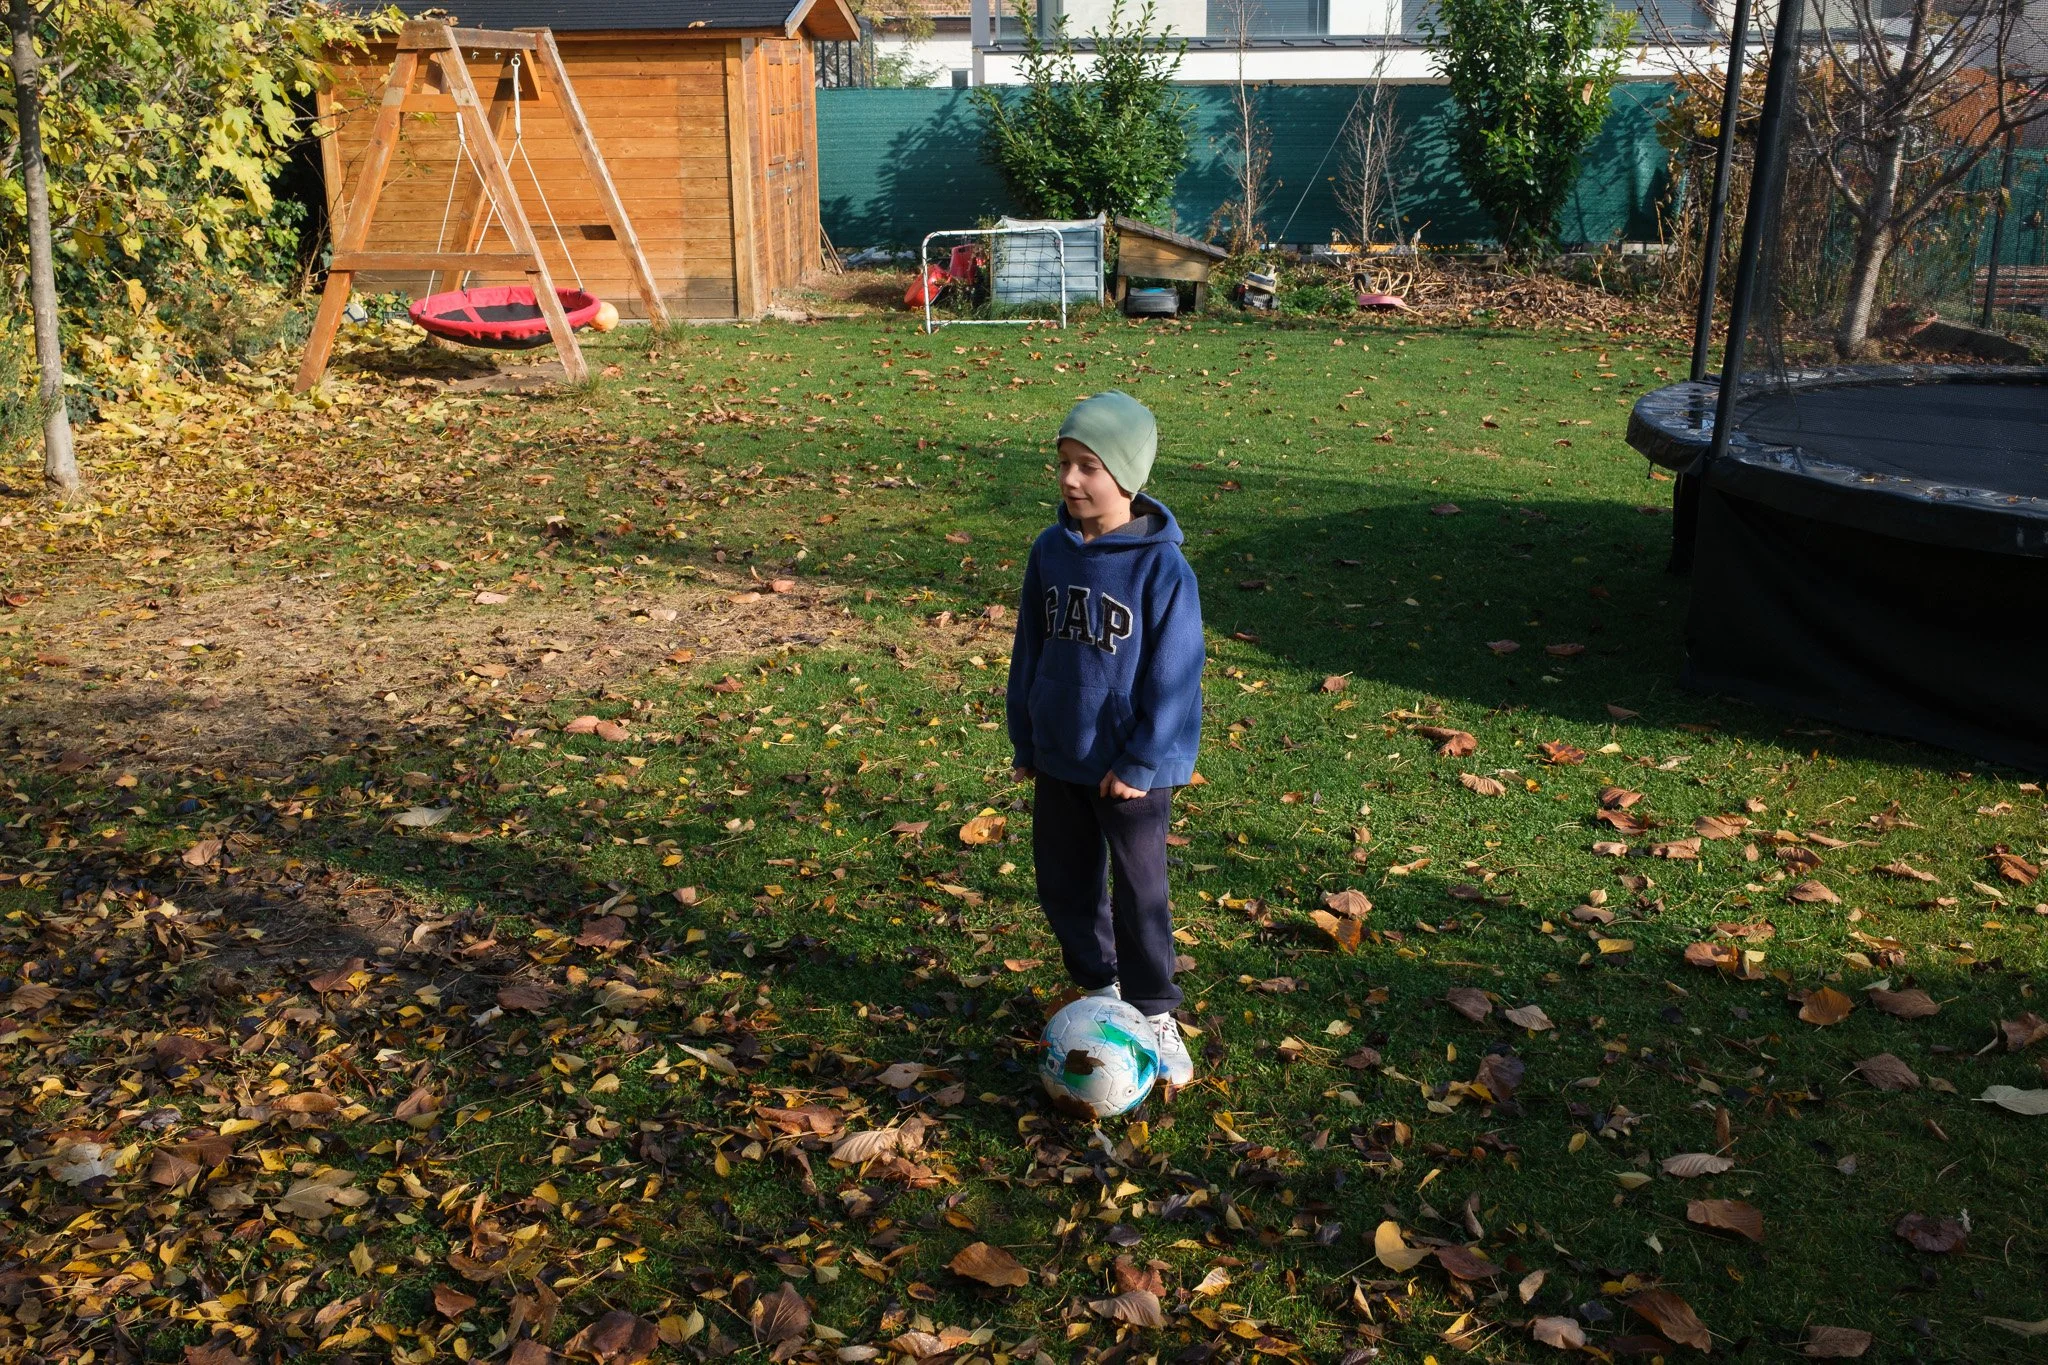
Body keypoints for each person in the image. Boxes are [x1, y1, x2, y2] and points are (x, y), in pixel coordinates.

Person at [1007, 391, 1205, 1087]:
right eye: (1063, 462)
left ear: (1126, 474)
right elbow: (1029, 648)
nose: (1070, 479)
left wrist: (1142, 759)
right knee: (1063, 880)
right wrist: (1026, 735)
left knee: (1139, 892)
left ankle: (1154, 1010)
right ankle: (1099, 987)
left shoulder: (1161, 568)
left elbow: (1176, 674)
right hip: (1062, 751)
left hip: (1132, 766)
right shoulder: (1050, 551)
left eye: (1088, 466)